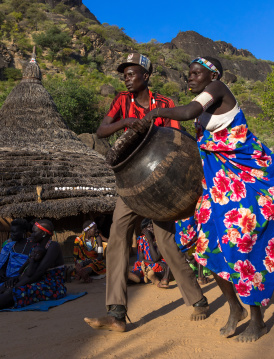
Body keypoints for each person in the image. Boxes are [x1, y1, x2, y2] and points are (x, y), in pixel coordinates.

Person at [140, 56, 274, 342]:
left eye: (196, 74)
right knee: (206, 244)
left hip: (249, 181)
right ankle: (235, 309)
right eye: (188, 73)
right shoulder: (202, 115)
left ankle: (257, 319)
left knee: (240, 244)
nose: (190, 78)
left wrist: (154, 112)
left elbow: (188, 110)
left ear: (213, 75)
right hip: (219, 187)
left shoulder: (217, 89)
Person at [85, 53, 209, 333]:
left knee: (165, 242)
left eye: (132, 74)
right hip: (129, 182)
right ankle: (116, 313)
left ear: (146, 76)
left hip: (159, 184)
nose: (126, 79)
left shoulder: (163, 104)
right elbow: (102, 130)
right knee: (118, 236)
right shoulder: (121, 101)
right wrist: (126, 123)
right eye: (124, 75)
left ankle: (197, 299)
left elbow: (177, 141)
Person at [0, 218, 33, 295]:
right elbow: (3, 266)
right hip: (7, 279)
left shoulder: (31, 247)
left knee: (4, 292)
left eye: (15, 232)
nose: (11, 234)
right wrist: (1, 273)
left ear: (24, 231)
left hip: (21, 279)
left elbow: (30, 269)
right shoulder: (9, 247)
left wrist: (16, 278)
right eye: (11, 232)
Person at [128, 219, 170, 288]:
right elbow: (141, 259)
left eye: (152, 226)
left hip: (159, 263)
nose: (151, 228)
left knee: (158, 267)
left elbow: (156, 258)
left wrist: (150, 240)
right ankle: (135, 277)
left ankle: (150, 276)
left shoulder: (158, 239)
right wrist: (145, 263)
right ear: (144, 231)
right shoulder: (142, 240)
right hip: (148, 263)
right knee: (138, 265)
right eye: (148, 227)